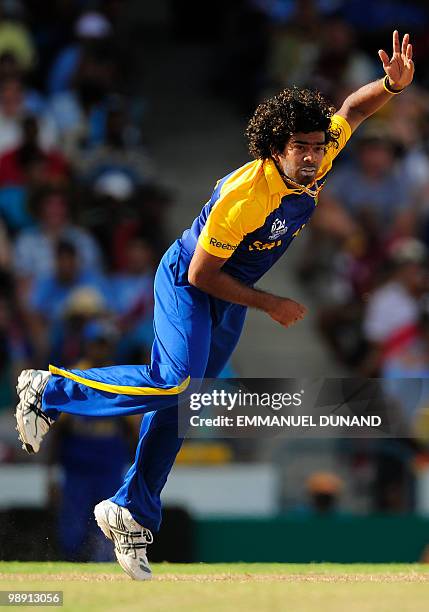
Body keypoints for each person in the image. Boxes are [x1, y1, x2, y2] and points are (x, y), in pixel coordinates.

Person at [15, 31, 414, 580]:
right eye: (302, 147)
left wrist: (390, 86)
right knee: (170, 384)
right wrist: (270, 302)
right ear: (277, 148)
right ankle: (48, 388)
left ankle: (130, 511)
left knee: (181, 404)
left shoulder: (317, 160)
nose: (314, 154)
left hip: (226, 296)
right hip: (189, 282)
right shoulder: (246, 196)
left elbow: (351, 109)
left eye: (319, 146)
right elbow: (203, 273)